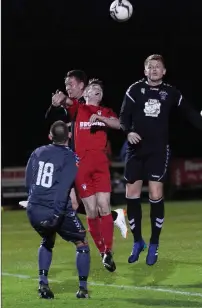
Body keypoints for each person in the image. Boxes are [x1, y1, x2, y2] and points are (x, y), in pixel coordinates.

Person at [119, 54, 202, 266]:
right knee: (132, 194)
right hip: (136, 150)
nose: (154, 69)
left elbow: (190, 113)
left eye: (158, 66)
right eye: (150, 66)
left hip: (158, 150)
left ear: (164, 71)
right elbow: (123, 116)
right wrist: (128, 131)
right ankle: (138, 241)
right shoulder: (134, 90)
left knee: (156, 193)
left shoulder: (171, 92)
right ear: (145, 70)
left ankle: (154, 244)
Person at [46, 69, 128, 238]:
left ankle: (54, 233)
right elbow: (57, 114)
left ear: (82, 86)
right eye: (66, 84)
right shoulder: (75, 106)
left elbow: (114, 124)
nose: (67, 87)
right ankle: (111, 218)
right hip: (72, 159)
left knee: (78, 204)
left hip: (84, 161)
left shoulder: (86, 107)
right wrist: (57, 103)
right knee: (75, 203)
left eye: (71, 84)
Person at [52, 79, 121, 272]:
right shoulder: (79, 109)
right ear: (85, 94)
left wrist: (103, 120)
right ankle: (102, 252)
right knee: (91, 211)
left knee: (105, 206)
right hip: (81, 167)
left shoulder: (106, 112)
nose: (96, 90)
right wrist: (61, 98)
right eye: (92, 88)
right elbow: (67, 102)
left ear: (101, 95)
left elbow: (119, 124)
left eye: (99, 89)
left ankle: (108, 250)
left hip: (100, 165)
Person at [26, 121, 90, 299]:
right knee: (82, 243)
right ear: (69, 136)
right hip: (54, 209)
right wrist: (56, 214)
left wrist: (32, 200)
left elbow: (28, 179)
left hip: (33, 208)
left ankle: (43, 284)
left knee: (47, 239)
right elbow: (63, 189)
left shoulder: (37, 152)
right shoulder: (70, 157)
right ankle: (83, 289)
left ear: (50, 136)